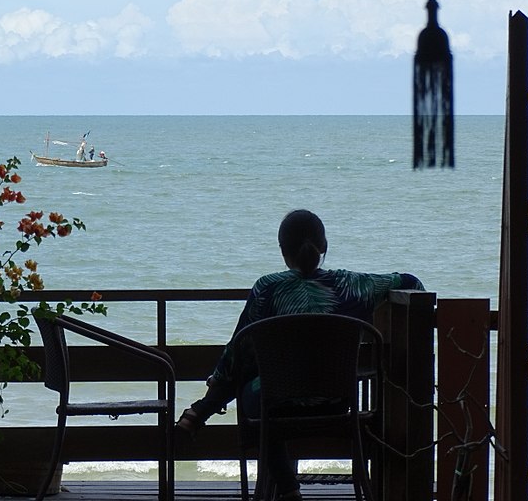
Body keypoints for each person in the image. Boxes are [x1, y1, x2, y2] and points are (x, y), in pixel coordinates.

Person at [176, 209, 424, 500]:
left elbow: (237, 352)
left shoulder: (268, 288)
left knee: (249, 383)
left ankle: (285, 486)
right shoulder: (355, 285)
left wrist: (217, 384)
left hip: (275, 405)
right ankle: (200, 414)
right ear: (324, 247)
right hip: (336, 403)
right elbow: (412, 283)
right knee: (257, 382)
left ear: (283, 251)